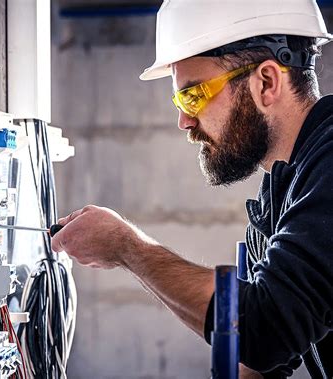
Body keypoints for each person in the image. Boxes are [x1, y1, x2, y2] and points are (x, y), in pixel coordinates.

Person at [51, 0, 333, 377]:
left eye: (194, 95)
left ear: (266, 82)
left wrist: (127, 247)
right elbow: (259, 354)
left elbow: (266, 328)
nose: (184, 121)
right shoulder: (283, 191)